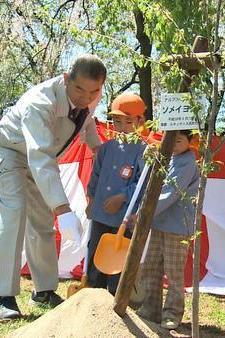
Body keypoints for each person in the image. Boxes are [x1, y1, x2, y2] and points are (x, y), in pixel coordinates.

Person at [0, 54, 106, 320]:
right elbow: (40, 155)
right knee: (13, 214)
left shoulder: (91, 97)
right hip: (11, 151)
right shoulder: (40, 102)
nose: (86, 97)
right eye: (80, 89)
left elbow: (87, 122)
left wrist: (100, 151)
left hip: (42, 159)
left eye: (94, 91)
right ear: (67, 78)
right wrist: (63, 208)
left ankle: (44, 290)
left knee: (43, 222)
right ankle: (2, 296)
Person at [85, 92, 147, 295]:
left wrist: (123, 196)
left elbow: (143, 183)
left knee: (119, 256)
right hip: (100, 213)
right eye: (117, 121)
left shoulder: (143, 151)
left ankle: (115, 294)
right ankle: (93, 291)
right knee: (95, 250)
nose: (122, 127)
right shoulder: (106, 148)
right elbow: (94, 176)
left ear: (140, 121)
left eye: (128, 121)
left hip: (124, 217)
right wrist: (91, 199)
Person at [137, 130, 199, 330]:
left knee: (173, 272)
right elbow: (149, 178)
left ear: (190, 141)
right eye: (171, 139)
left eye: (179, 139)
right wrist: (146, 159)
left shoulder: (188, 161)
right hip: (158, 222)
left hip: (177, 226)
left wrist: (144, 212)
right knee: (150, 267)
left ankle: (172, 313)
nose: (174, 143)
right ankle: (149, 310)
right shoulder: (167, 157)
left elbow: (169, 193)